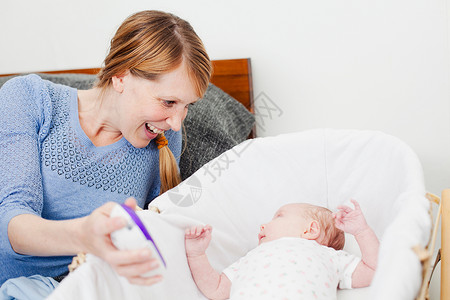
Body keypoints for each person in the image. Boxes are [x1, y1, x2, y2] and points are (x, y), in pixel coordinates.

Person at [0, 10, 211, 288]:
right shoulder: (30, 99)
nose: (175, 123)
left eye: (187, 107)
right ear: (121, 77)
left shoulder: (164, 138)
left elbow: (161, 237)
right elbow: (9, 225)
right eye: (168, 102)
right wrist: (82, 235)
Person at [185, 200, 379, 299]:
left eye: (278, 216)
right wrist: (197, 253)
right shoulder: (251, 257)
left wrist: (362, 231)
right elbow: (216, 289)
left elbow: (373, 270)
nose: (263, 225)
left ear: (310, 230)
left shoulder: (329, 256)